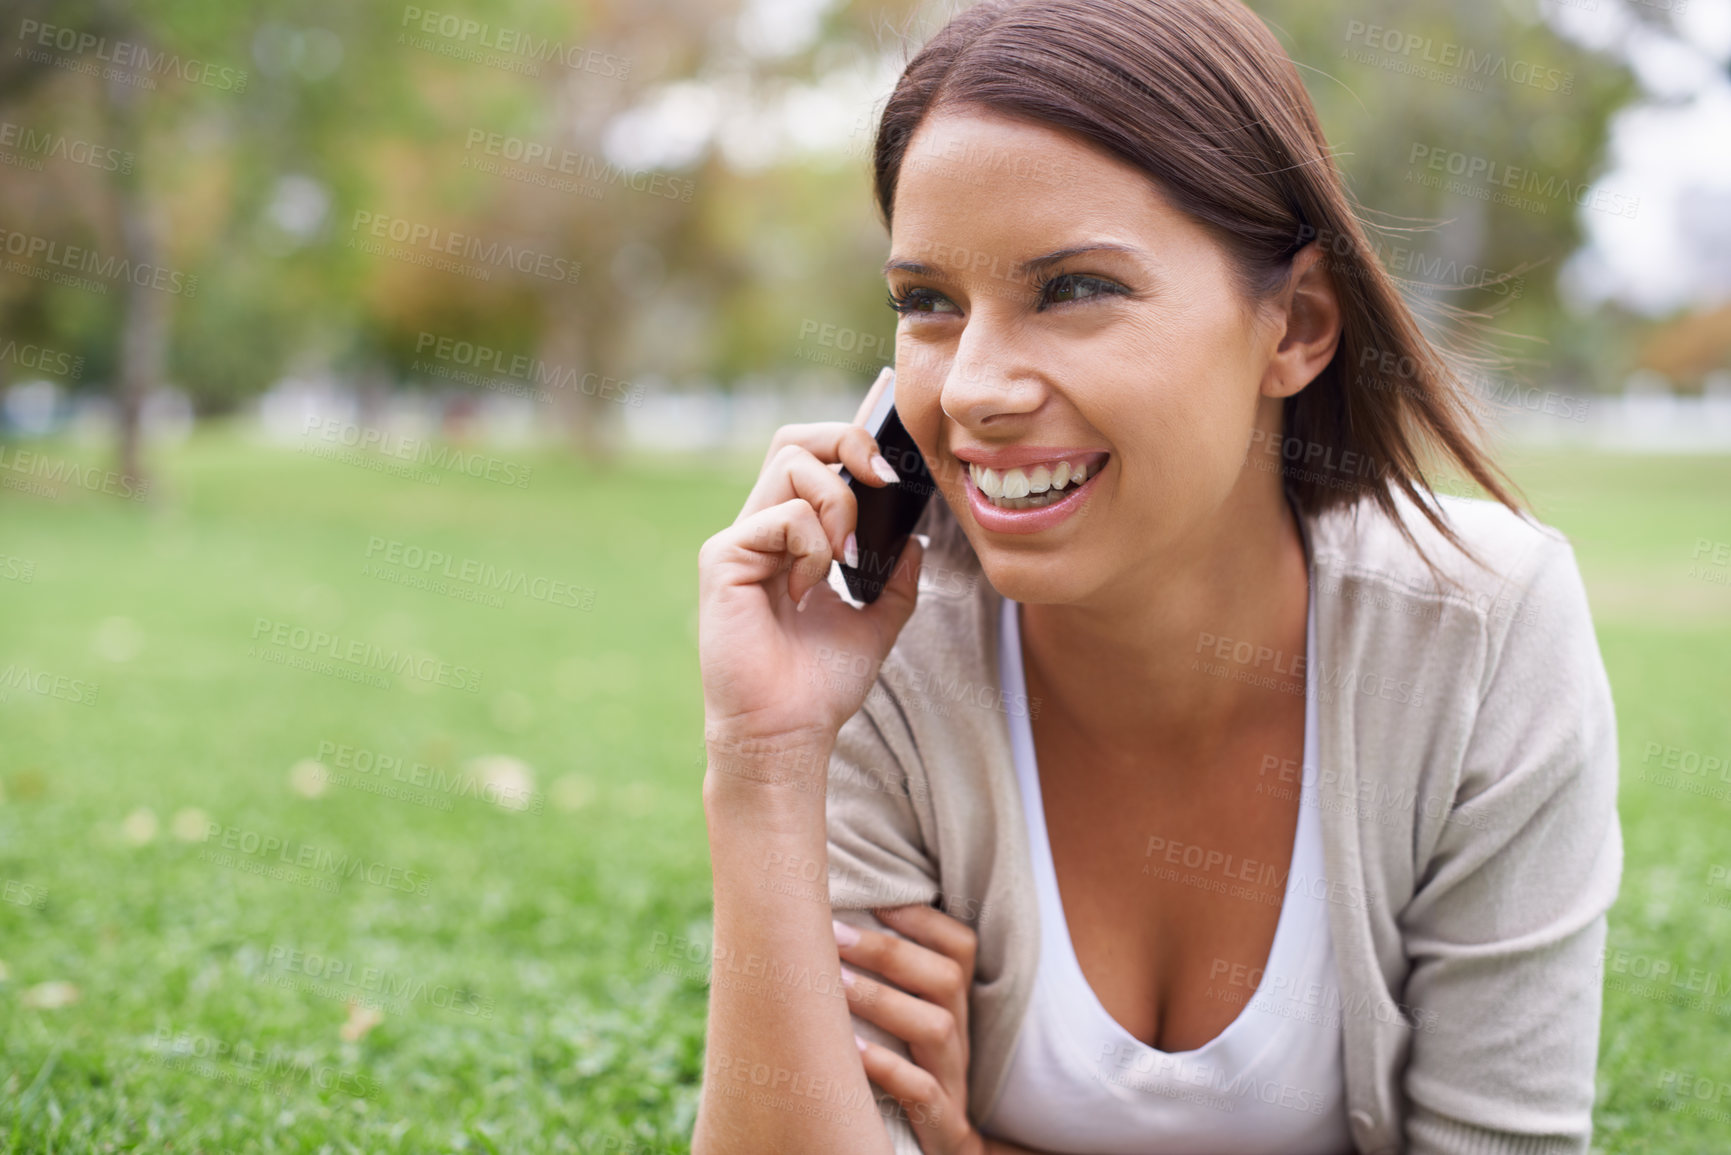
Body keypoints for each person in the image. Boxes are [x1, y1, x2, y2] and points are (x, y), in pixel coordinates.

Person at [693, 1, 1622, 1152]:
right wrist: (767, 765)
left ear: (1297, 325)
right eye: (927, 302)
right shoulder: (876, 651)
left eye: (1074, 288)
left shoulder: (1479, 631)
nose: (974, 387)